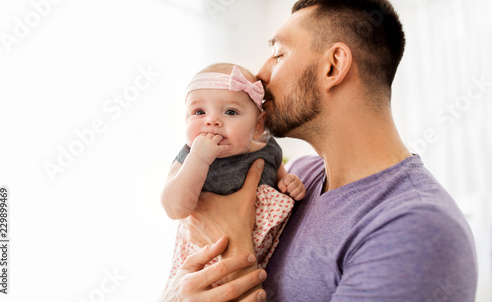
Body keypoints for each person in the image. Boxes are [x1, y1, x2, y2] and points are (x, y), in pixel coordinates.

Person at [161, 0, 478, 301]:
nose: (259, 75)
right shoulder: (299, 178)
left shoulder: (417, 230)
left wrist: (231, 235)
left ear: (333, 66)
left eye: (279, 54)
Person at [161, 63, 306, 287]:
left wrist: (288, 182)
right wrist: (199, 159)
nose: (212, 121)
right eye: (199, 112)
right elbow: (174, 208)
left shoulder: (267, 147)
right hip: (207, 261)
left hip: (266, 257)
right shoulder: (189, 156)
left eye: (230, 112)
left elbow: (281, 177)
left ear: (258, 126)